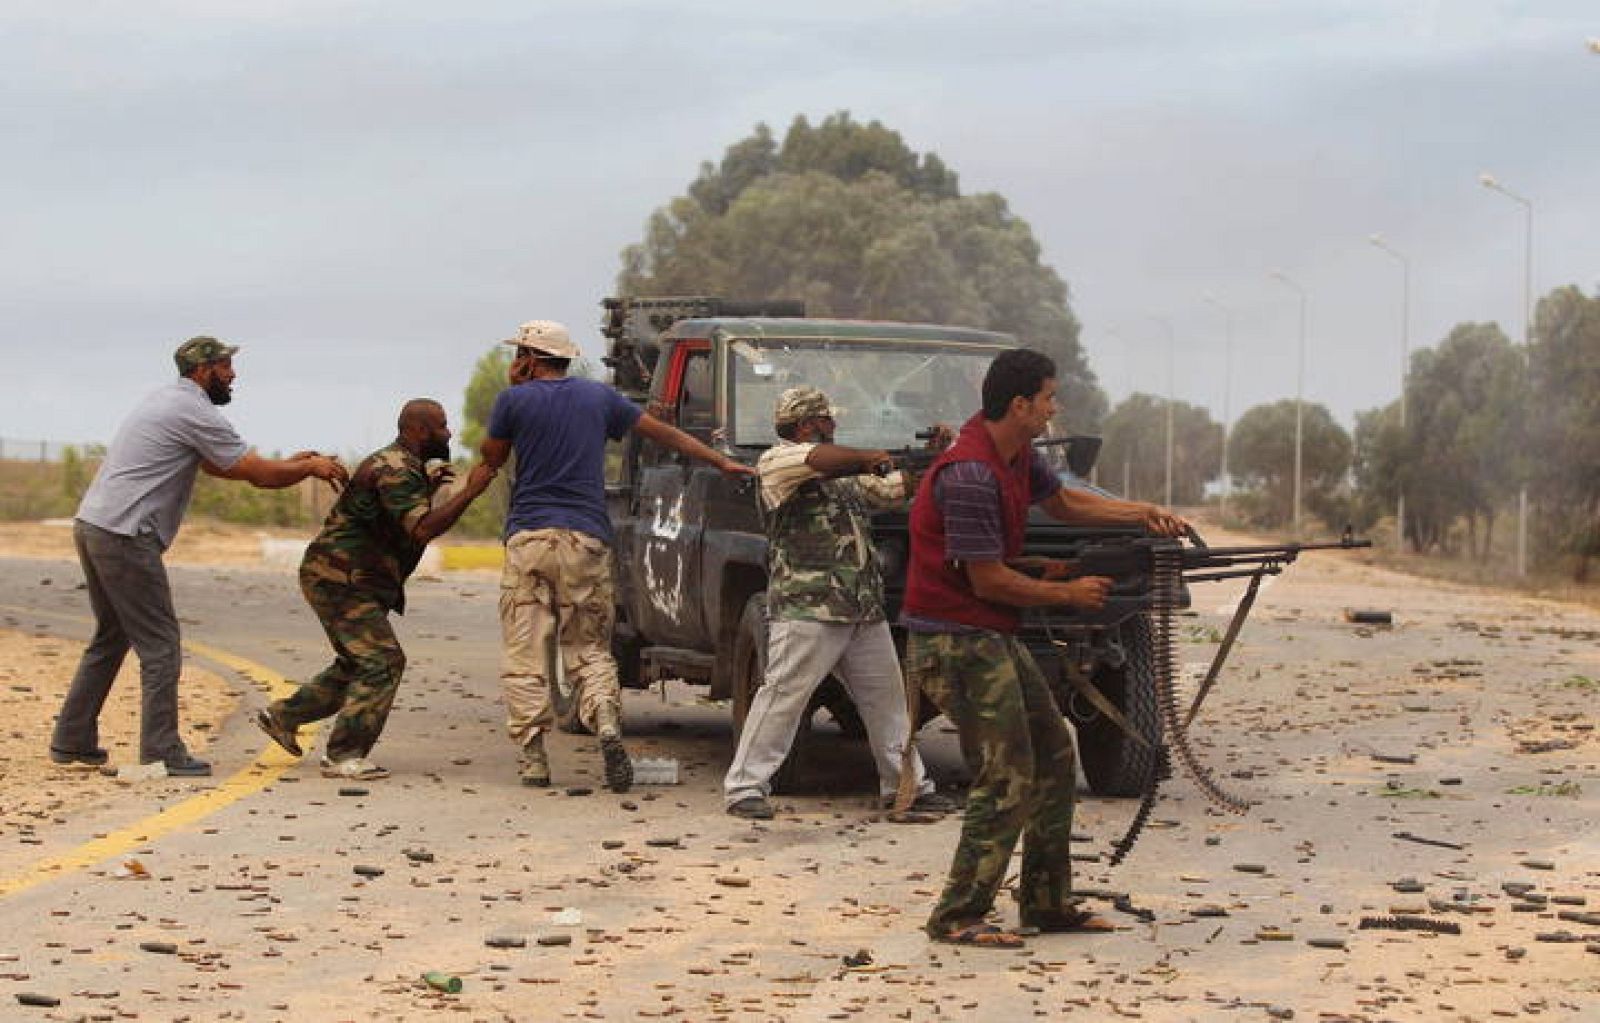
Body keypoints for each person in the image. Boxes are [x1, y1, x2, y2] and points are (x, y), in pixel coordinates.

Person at [901, 347, 1186, 948]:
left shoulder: (1013, 456)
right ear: (1020, 404)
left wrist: (1144, 515)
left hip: (987, 635)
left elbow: (1064, 502)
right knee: (1008, 775)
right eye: (1050, 398)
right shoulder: (974, 473)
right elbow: (989, 581)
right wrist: (1071, 594)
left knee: (1054, 755)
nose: (1056, 408)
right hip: (955, 641)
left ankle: (1047, 904)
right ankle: (957, 914)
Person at [50, 336, 348, 777]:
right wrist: (309, 468)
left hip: (95, 525)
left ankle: (72, 740)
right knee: (162, 646)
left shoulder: (168, 400)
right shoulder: (194, 409)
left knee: (111, 636)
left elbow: (219, 464)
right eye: (226, 366)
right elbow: (259, 477)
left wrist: (291, 463)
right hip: (126, 535)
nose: (233, 375)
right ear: (203, 370)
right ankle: (161, 752)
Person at [480, 320, 753, 792]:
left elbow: (490, 457)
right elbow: (664, 434)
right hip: (586, 538)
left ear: (528, 356)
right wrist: (720, 461)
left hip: (529, 538)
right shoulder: (600, 398)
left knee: (525, 651)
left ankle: (533, 759)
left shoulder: (514, 400)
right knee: (589, 645)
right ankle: (605, 719)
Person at [723, 386, 955, 821]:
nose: (835, 425)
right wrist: (870, 456)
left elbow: (893, 491)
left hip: (860, 607)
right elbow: (819, 461)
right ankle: (744, 787)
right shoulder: (778, 460)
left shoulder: (845, 475)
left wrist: (932, 457)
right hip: (808, 606)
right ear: (809, 424)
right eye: (828, 420)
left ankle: (906, 787)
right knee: (784, 695)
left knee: (888, 702)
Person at [254, 399, 497, 780]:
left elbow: (399, 521)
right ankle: (343, 755)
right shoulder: (395, 469)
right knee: (382, 661)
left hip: (353, 578)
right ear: (418, 431)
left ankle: (284, 715)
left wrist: (431, 489)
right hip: (340, 578)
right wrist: (471, 491)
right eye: (442, 426)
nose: (448, 434)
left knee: (358, 663)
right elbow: (422, 530)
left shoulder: (405, 468)